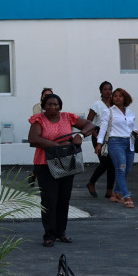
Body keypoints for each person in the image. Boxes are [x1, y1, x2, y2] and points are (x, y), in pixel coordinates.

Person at [28, 92, 98, 247]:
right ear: (44, 106)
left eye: (56, 104)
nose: (53, 107)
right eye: (49, 104)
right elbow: (33, 139)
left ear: (60, 106)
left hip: (66, 163)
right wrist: (58, 146)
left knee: (64, 198)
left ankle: (61, 232)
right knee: (49, 200)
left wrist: (81, 135)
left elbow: (91, 125)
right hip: (45, 164)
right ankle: (49, 235)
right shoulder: (39, 119)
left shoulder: (67, 117)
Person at [98, 88, 137, 207]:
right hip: (115, 142)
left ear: (125, 98)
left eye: (120, 96)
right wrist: (99, 143)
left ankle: (115, 193)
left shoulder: (130, 112)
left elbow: (133, 127)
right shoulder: (108, 112)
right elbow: (103, 128)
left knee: (127, 169)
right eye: (115, 96)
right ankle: (126, 196)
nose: (118, 98)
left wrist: (136, 131)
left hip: (129, 142)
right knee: (121, 169)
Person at [85, 81, 115, 199]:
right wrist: (95, 134)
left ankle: (109, 190)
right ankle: (91, 182)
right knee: (105, 162)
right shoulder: (97, 104)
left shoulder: (114, 104)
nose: (107, 91)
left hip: (112, 134)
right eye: (105, 89)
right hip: (98, 133)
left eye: (109, 89)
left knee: (112, 164)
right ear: (101, 91)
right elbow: (89, 122)